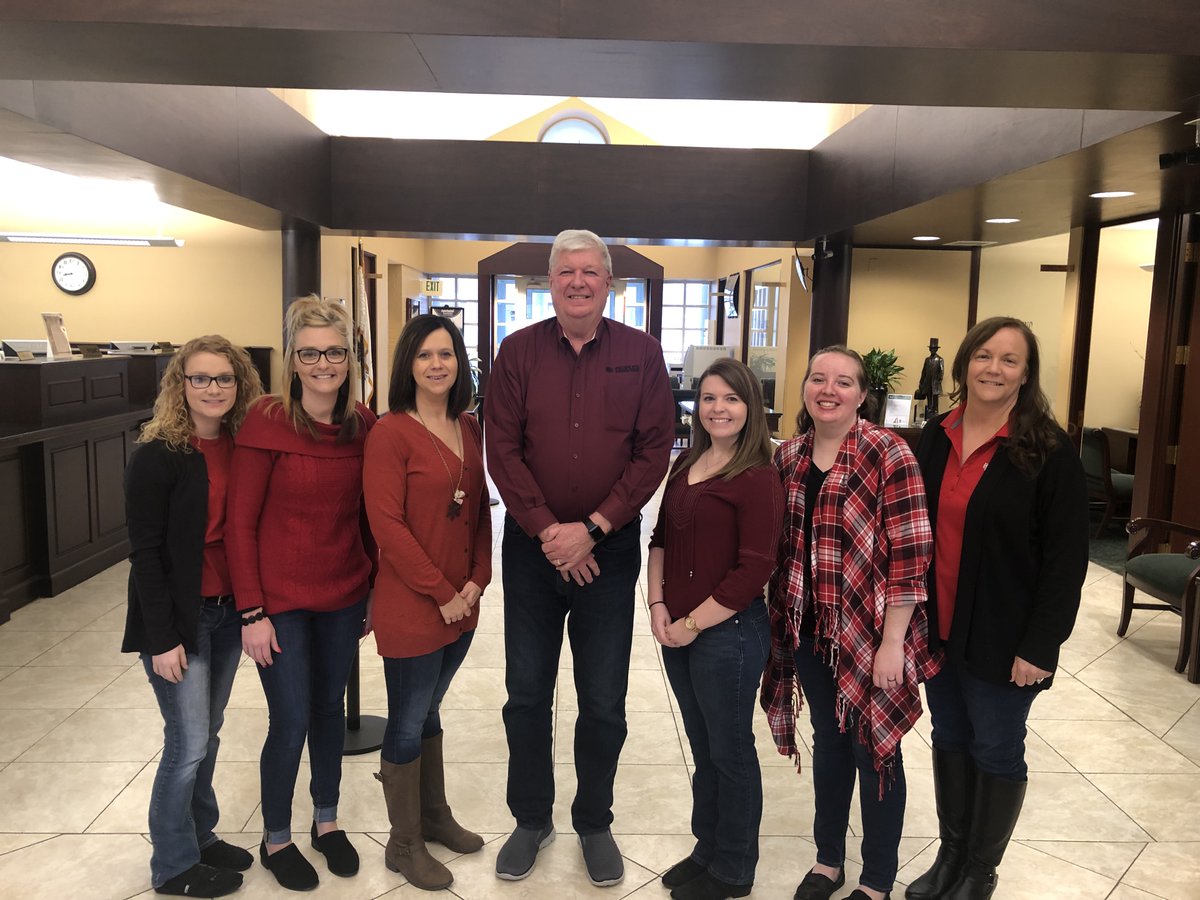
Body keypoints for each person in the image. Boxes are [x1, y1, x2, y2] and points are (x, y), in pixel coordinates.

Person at [484, 228, 674, 887]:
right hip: (532, 555)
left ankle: (594, 820)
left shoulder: (642, 354)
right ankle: (531, 818)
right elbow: (501, 451)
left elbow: (654, 451)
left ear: (608, 282)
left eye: (590, 271)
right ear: (550, 281)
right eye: (566, 271)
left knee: (602, 699)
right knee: (527, 694)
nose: (578, 281)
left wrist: (591, 529)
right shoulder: (516, 353)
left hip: (610, 551)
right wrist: (548, 532)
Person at [907, 318, 1087, 900]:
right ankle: (951, 857)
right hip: (939, 629)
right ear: (964, 363)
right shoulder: (936, 435)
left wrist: (1040, 646)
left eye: (1010, 360)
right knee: (950, 737)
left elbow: (1067, 561)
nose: (994, 368)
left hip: (1006, 638)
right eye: (984, 355)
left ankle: (980, 871)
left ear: (1027, 374)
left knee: (996, 747)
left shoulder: (1049, 452)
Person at [762, 346, 939, 900]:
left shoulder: (889, 454)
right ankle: (828, 861)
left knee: (874, 748)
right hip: (810, 633)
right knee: (831, 743)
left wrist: (892, 644)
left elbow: (912, 554)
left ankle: (879, 878)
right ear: (806, 390)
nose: (828, 390)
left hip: (872, 635)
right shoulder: (788, 456)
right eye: (818, 379)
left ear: (863, 395)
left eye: (843, 382)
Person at [227, 294, 377, 892]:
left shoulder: (362, 424)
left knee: (327, 714)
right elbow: (240, 524)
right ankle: (276, 838)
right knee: (289, 718)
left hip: (342, 593)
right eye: (310, 352)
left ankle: (327, 820)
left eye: (335, 351)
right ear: (292, 358)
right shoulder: (266, 419)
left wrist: (372, 587)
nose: (324, 363)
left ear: (349, 357)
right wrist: (252, 611)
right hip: (278, 603)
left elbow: (368, 516)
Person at [122, 335, 263, 898]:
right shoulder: (157, 455)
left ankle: (200, 834)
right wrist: (162, 638)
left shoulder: (240, 444)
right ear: (180, 385)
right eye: (200, 378)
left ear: (239, 385)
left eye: (223, 378)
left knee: (210, 732)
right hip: (180, 620)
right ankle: (174, 864)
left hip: (229, 613)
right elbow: (145, 555)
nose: (212, 388)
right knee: (186, 744)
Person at [362, 314, 492, 890]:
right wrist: (442, 592)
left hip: (462, 604)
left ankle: (434, 817)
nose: (437, 364)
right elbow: (387, 525)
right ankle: (403, 843)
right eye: (424, 355)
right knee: (408, 720)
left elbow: (482, 512)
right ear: (407, 366)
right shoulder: (390, 432)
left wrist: (478, 582)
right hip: (415, 605)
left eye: (446, 354)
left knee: (430, 711)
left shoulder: (468, 426)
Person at [648, 358, 783, 900]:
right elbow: (659, 539)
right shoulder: (687, 464)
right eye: (708, 398)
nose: (718, 408)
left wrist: (690, 623)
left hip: (729, 635)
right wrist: (658, 605)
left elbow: (754, 569)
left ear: (750, 406)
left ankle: (734, 867)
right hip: (678, 629)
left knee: (729, 751)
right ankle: (707, 847)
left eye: (730, 398)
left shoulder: (757, 477)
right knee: (704, 747)